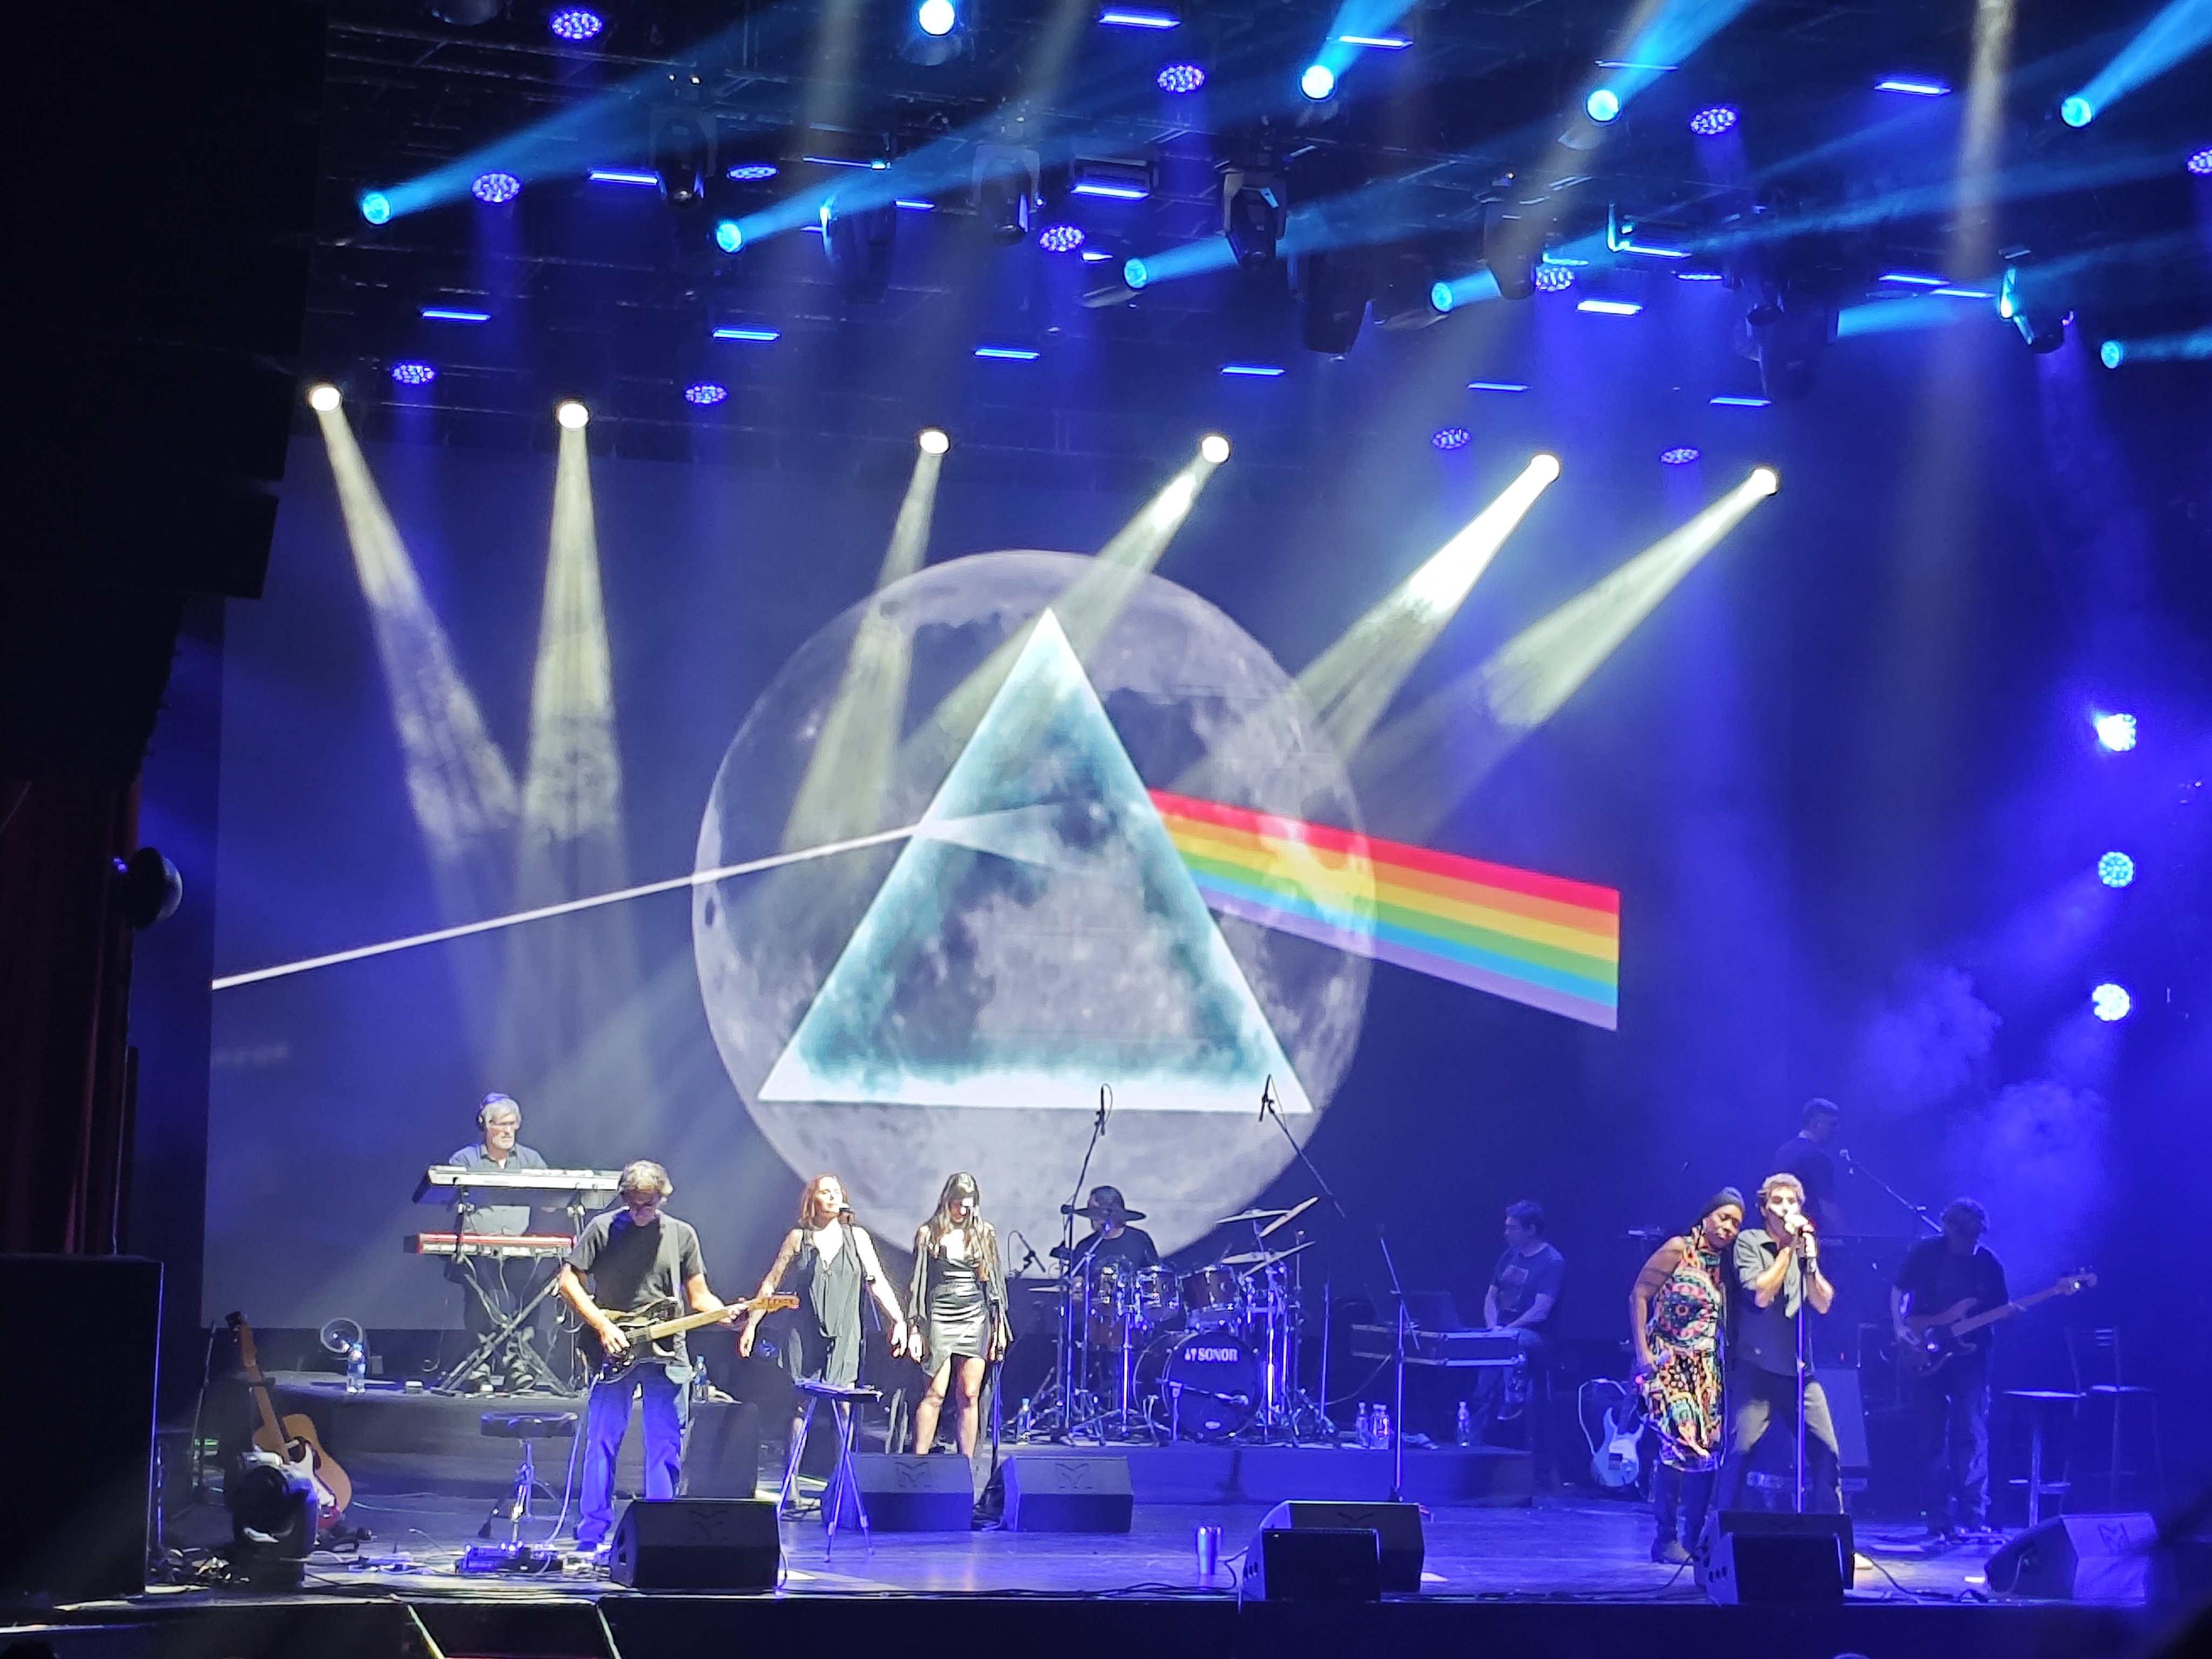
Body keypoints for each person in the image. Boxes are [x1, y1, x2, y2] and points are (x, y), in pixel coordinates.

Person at [557, 1161, 737, 1553]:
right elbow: (568, 1281)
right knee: (603, 1440)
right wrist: (602, 1326)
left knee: (665, 1443)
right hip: (614, 1347)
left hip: (666, 1351)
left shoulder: (681, 1235)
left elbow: (699, 1296)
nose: (640, 1212)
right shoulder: (602, 1229)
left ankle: (660, 1532)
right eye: (634, 1204)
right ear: (624, 1197)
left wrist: (725, 1314)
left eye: (648, 1204)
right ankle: (592, 1532)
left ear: (662, 1198)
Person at [740, 1174, 908, 1494]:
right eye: (825, 1192)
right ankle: (791, 1486)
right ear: (812, 1200)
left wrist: (898, 1320)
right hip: (805, 1334)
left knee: (844, 1404)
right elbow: (772, 1283)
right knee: (802, 1406)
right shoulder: (798, 1238)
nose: (832, 1197)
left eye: (837, 1192)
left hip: (845, 1333)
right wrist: (752, 1323)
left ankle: (842, 1485)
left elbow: (877, 1281)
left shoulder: (856, 1237)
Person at [1631, 1189, 1745, 1563]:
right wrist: (1643, 1353)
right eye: (1724, 1218)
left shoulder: (1724, 1265)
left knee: (1707, 1452)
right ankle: (1665, 1538)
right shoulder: (1678, 1249)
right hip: (1668, 1362)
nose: (1728, 1228)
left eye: (1736, 1224)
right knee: (1680, 1441)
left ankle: (1693, 1540)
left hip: (1706, 1370)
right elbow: (1639, 1295)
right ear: (1707, 1215)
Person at [1718, 1171, 1842, 1514]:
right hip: (1756, 1369)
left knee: (1827, 1451)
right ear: (1764, 1208)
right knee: (1740, 1451)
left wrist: (1810, 1262)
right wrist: (1787, 1249)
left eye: (1792, 1202)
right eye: (1778, 1201)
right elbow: (1760, 1294)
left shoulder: (1805, 1247)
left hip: (1800, 1372)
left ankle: (1830, 1530)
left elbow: (1823, 1303)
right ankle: (1723, 1528)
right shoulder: (1749, 1241)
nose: (1786, 1208)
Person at [1892, 1198, 2011, 1546]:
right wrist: (1900, 1328)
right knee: (1930, 1436)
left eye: (1975, 1238)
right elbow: (1899, 1289)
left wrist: (2009, 1315)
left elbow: (2000, 1309)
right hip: (1926, 1350)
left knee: (1970, 1432)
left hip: (1972, 1358)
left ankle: (1974, 1515)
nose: (1970, 1245)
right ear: (1948, 1229)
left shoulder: (1987, 1264)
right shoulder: (1926, 1254)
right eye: (1964, 1237)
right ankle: (1938, 1517)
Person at [446, 1092, 555, 1387]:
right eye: (501, 1125)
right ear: (485, 1125)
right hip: (477, 1251)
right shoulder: (465, 1160)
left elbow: (551, 1203)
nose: (508, 1131)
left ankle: (517, 1363)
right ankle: (480, 1365)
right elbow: (449, 1198)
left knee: (533, 1291)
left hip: (517, 1251)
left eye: (513, 1124)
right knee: (481, 1295)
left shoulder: (530, 1159)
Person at [906, 1173, 1010, 1460]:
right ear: (947, 1201)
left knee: (969, 1393)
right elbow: (918, 1283)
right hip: (940, 1312)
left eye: (969, 1205)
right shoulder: (929, 1233)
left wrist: (999, 1326)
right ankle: (918, 1462)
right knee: (935, 1393)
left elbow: (995, 1284)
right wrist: (915, 1328)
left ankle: (966, 1465)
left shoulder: (984, 1233)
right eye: (958, 1204)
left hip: (975, 1314)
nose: (963, 1211)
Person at [1479, 1200, 1564, 1422]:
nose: (1506, 1233)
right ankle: (1475, 1410)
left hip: (1537, 1336)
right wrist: (1493, 1328)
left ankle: (1513, 1399)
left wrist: (1506, 1331)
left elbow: (1540, 1311)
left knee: (1513, 1341)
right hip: (1503, 1330)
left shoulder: (1552, 1261)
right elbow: (1491, 1297)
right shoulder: (1509, 1256)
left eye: (1512, 1228)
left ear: (1531, 1230)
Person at [1772, 1098, 1844, 1233]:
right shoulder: (1818, 1158)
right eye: (1832, 1125)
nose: (1837, 1130)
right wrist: (1844, 1237)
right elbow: (1827, 1208)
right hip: (1806, 1234)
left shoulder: (1783, 1152)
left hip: (1777, 1229)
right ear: (1815, 1125)